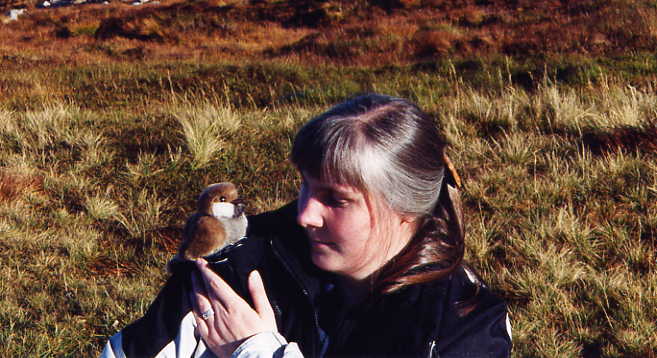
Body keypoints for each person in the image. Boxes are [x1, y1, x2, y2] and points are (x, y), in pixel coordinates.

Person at [101, 94, 512, 358]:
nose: (304, 215)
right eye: (305, 186)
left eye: (336, 199)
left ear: (405, 208)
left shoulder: (462, 323)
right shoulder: (234, 269)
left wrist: (255, 352)